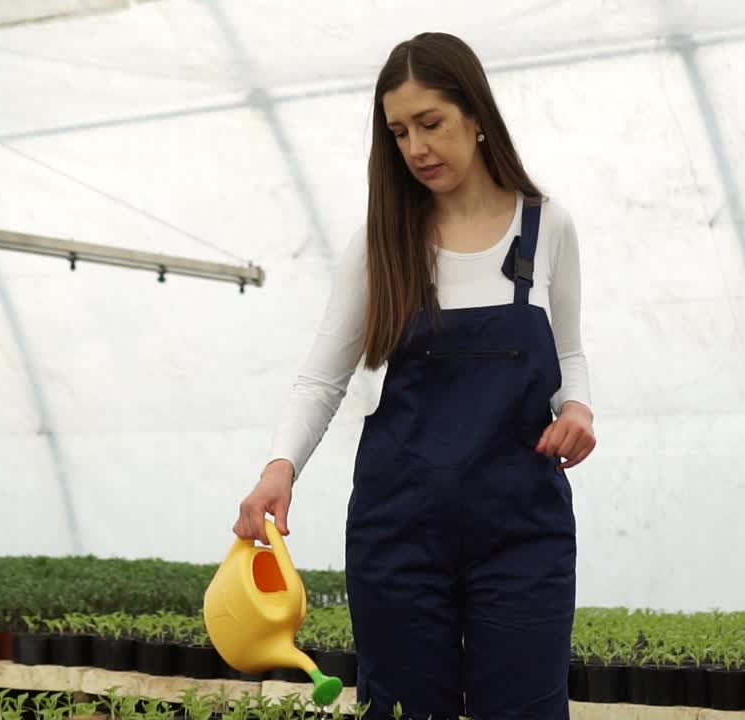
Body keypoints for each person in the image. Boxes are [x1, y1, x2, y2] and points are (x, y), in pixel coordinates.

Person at [234, 31, 596, 720]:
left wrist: (577, 410)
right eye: (399, 133)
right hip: (399, 533)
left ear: (476, 115)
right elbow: (321, 379)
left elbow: (570, 355)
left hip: (521, 533)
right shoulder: (382, 242)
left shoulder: (546, 228)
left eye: (430, 123)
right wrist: (280, 467)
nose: (417, 148)